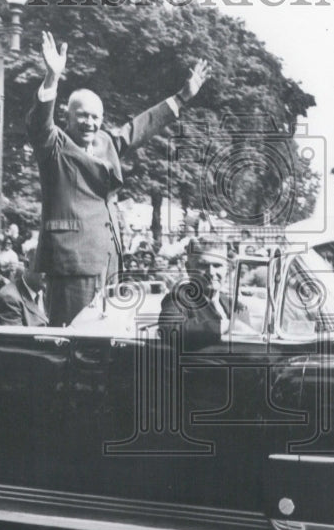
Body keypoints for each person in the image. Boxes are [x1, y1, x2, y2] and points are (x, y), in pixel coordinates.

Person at [28, 31, 209, 327]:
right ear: (68, 116)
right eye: (83, 116)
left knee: (104, 339)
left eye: (96, 117)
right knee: (72, 338)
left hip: (110, 261)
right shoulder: (54, 145)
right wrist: (52, 77)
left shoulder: (105, 142)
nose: (90, 123)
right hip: (72, 264)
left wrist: (182, 97)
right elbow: (39, 123)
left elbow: (140, 127)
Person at [157, 237, 252, 351]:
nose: (211, 273)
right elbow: (169, 330)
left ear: (227, 269)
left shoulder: (237, 306)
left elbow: (250, 346)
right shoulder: (179, 299)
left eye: (217, 265)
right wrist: (224, 326)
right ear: (189, 269)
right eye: (203, 266)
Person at [0, 250, 48, 327]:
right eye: (44, 266)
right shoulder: (9, 298)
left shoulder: (50, 294)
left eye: (52, 267)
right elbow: (15, 338)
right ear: (27, 265)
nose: (49, 273)